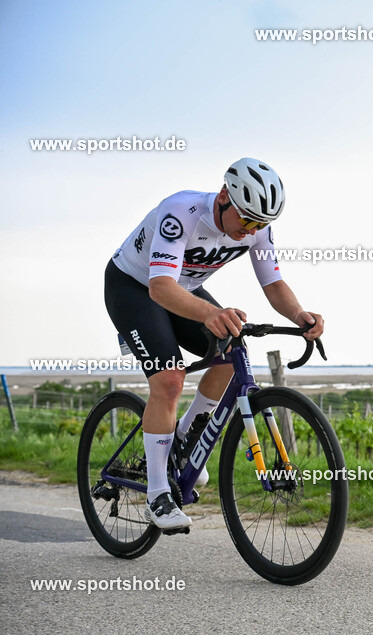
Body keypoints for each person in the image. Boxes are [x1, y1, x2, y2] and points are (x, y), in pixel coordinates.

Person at [105, 158, 324, 530]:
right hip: (135, 287)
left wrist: (300, 315)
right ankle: (157, 494)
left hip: (184, 289)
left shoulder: (256, 228)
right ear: (224, 196)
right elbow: (160, 288)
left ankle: (187, 438)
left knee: (230, 355)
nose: (251, 230)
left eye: (260, 224)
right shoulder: (181, 212)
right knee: (169, 379)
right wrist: (209, 314)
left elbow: (273, 284)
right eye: (247, 220)